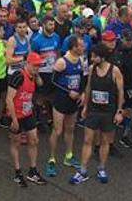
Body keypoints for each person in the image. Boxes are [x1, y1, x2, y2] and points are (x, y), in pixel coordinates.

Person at [70, 43, 124, 184]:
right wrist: (85, 106)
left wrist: (119, 111)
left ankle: (101, 168)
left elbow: (120, 92)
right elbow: (88, 88)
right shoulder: (92, 68)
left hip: (108, 112)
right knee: (88, 140)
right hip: (93, 110)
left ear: (102, 56)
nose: (92, 58)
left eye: (95, 56)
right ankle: (82, 170)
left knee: (105, 141)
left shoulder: (114, 71)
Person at [6, 52, 47, 187]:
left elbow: (41, 84)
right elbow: (9, 99)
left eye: (38, 66)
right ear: (27, 64)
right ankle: (17, 172)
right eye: (35, 65)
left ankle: (32, 170)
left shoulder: (33, 76)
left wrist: (37, 74)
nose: (37, 68)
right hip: (16, 114)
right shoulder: (18, 76)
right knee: (16, 143)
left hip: (28, 113)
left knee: (34, 140)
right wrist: (14, 119)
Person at [46, 35, 86, 176]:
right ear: (73, 47)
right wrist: (68, 91)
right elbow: (53, 81)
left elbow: (82, 79)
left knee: (70, 129)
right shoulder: (62, 62)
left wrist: (81, 93)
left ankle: (68, 156)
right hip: (61, 100)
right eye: (81, 45)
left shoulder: (80, 60)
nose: (84, 47)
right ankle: (51, 159)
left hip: (73, 101)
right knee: (58, 130)